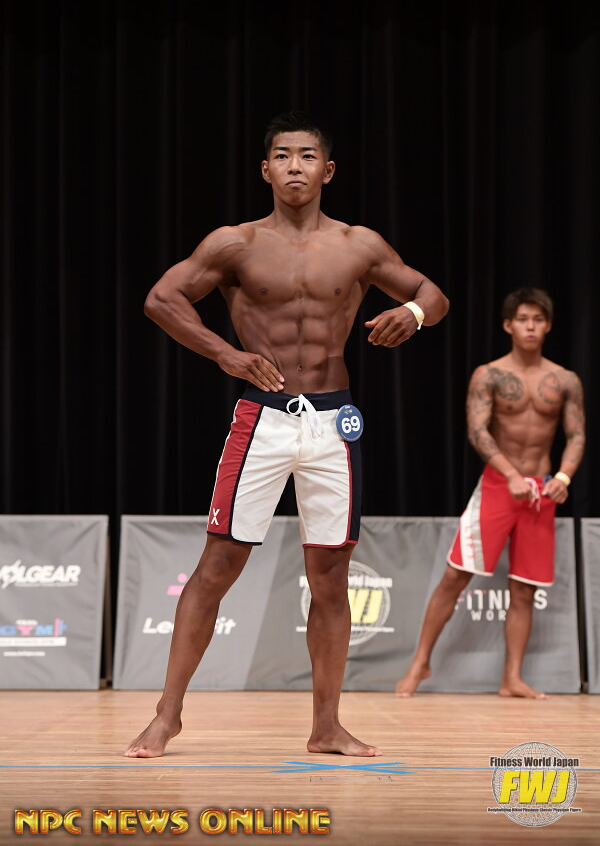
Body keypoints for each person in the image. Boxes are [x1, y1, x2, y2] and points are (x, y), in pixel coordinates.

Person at [124, 111, 449, 758]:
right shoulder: (235, 244)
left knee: (330, 578)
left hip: (334, 423)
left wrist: (412, 313)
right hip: (263, 419)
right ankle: (166, 716)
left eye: (306, 156)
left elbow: (433, 295)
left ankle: (326, 726)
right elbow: (161, 299)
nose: (294, 166)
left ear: (327, 170)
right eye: (282, 156)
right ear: (265, 169)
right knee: (217, 567)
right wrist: (225, 354)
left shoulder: (359, 244)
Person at [396, 287, 585, 700]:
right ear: (508, 325)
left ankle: (511, 678)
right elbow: (477, 430)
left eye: (538, 320)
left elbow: (576, 435)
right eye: (523, 319)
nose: (531, 326)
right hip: (499, 485)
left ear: (548, 326)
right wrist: (511, 474)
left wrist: (564, 477)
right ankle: (419, 663)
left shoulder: (565, 379)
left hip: (541, 493)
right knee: (455, 575)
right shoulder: (489, 374)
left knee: (524, 588)